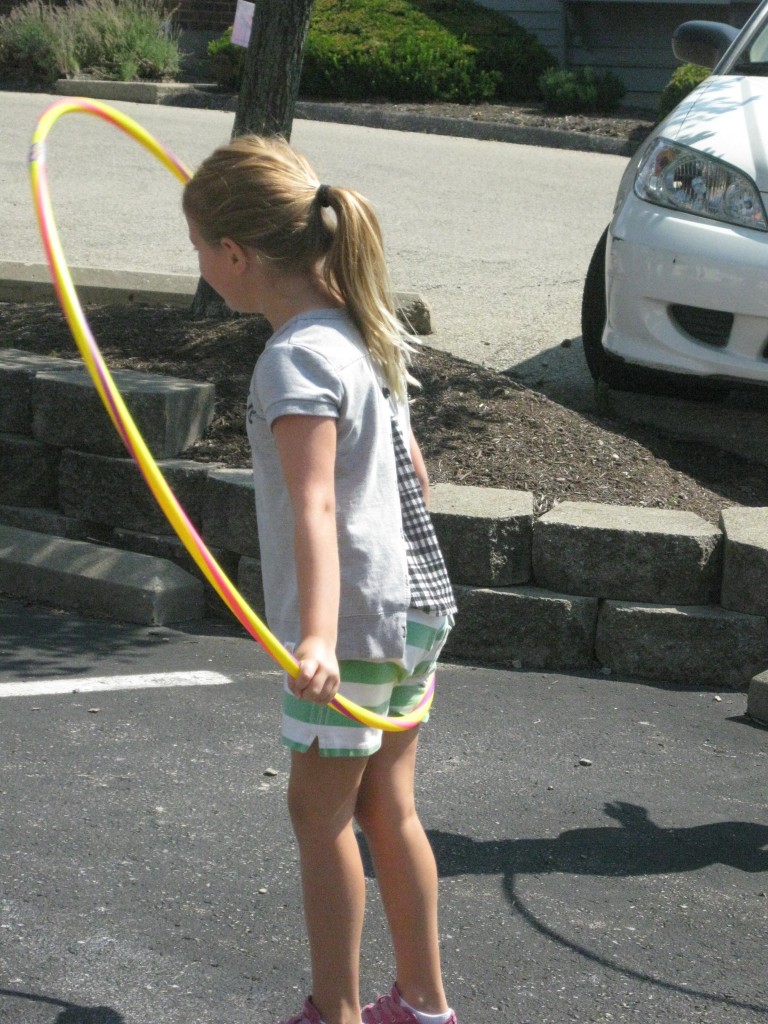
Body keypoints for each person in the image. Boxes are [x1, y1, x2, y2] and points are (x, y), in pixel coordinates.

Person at [182, 134, 458, 1024]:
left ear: (235, 255)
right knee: (388, 809)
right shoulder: (361, 330)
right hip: (417, 604)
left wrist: (318, 637)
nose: (199, 265)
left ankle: (335, 1011)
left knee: (320, 816)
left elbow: (316, 505)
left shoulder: (295, 356)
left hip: (355, 629)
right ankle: (423, 1005)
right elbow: (415, 474)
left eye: (199, 248)